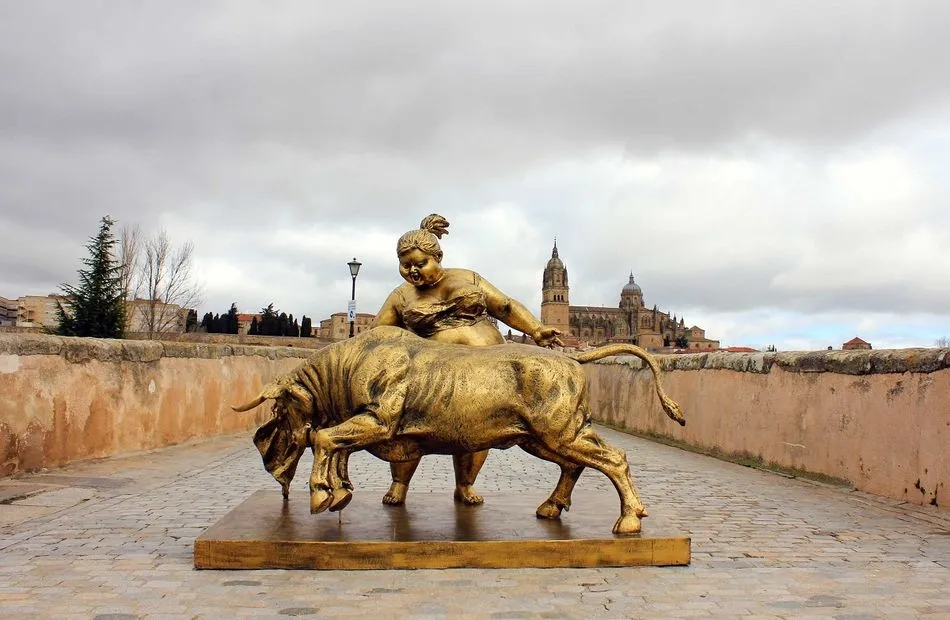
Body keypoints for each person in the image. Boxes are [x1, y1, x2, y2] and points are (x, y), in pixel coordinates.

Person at [373, 214, 563, 506]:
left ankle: (465, 484)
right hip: (432, 377)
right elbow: (378, 334)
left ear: (437, 257)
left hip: (485, 367)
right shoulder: (400, 296)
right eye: (405, 266)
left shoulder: (468, 278)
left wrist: (536, 329)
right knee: (410, 427)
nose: (413, 271)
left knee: (476, 429)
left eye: (420, 264)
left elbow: (505, 306)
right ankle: (400, 482)